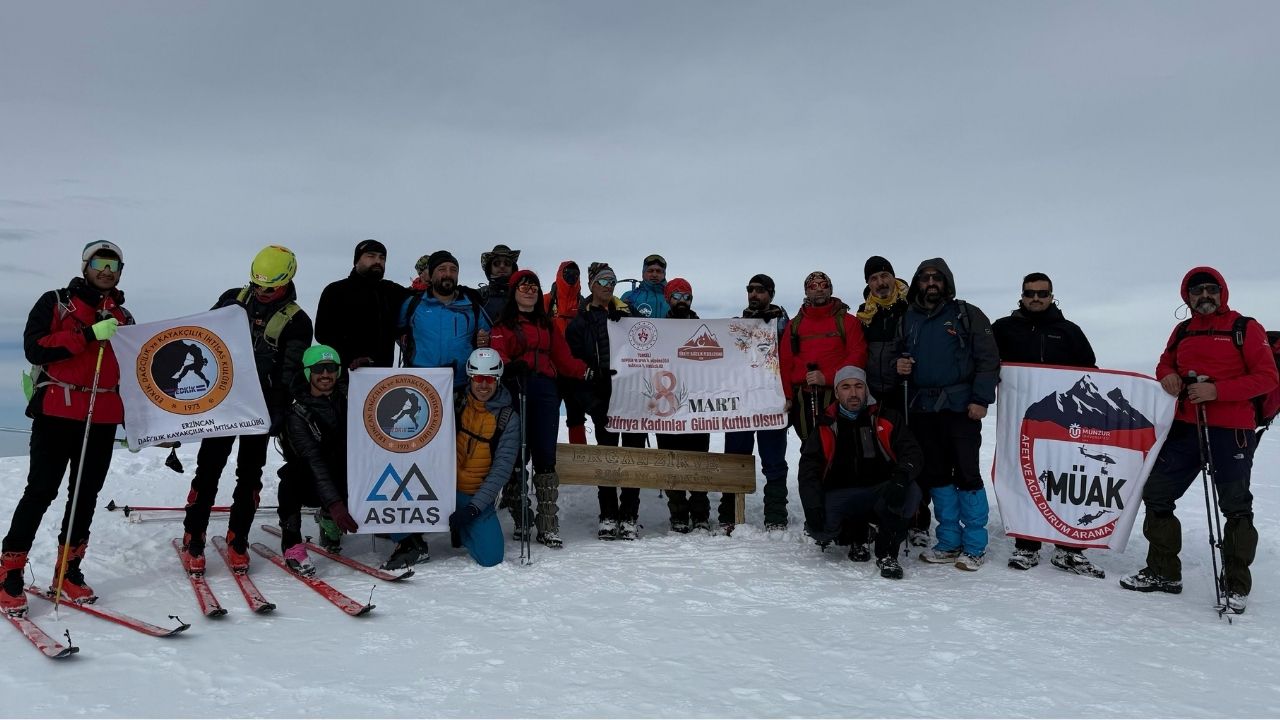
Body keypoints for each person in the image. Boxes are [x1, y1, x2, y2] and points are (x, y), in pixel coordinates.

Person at [1119, 267, 1278, 613]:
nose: (1204, 296)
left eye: (1211, 289)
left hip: (1231, 429)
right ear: (1186, 297)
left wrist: (1217, 391)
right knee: (1157, 491)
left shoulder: (1244, 328)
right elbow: (1165, 363)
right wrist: (1169, 376)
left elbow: (1267, 377)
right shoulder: (1183, 330)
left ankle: (1236, 584)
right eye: (1197, 291)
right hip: (1187, 426)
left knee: (1235, 505)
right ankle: (1164, 572)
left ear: (1222, 292)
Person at [2, 241, 133, 614]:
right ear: (86, 265)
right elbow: (35, 347)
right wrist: (89, 335)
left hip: (104, 413)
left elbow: (139, 371)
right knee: (41, 490)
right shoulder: (56, 302)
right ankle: (9, 572)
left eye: (113, 264)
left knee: (85, 495)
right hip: (58, 410)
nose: (106, 270)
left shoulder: (125, 317)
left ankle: (69, 570)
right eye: (99, 262)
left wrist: (138, 420)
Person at [179, 245, 313, 574]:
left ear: (287, 281)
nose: (262, 293)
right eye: (257, 286)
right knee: (207, 470)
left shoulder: (297, 321)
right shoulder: (231, 300)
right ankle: (193, 536)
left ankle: (238, 538)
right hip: (222, 403)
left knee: (249, 475)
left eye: (270, 288)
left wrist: (277, 413)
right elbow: (203, 339)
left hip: (260, 407)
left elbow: (289, 374)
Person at [992, 272, 1104, 578]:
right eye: (1030, 293)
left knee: (1064, 480)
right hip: (1019, 420)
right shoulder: (1003, 329)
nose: (1036, 298)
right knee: (1024, 478)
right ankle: (1026, 544)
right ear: (1022, 295)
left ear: (1052, 296)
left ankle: (1069, 549)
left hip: (1064, 424)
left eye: (1042, 293)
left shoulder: (1069, 332)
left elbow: (1090, 372)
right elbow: (986, 363)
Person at [895, 258, 999, 571]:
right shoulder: (908, 318)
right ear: (917, 283)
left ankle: (975, 545)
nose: (930, 283)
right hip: (923, 409)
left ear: (946, 282)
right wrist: (898, 366)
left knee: (967, 475)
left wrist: (981, 399)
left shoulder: (966, 314)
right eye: (925, 278)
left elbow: (988, 358)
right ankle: (950, 541)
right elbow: (900, 355)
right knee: (937, 476)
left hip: (961, 408)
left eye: (936, 278)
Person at [489, 269, 590, 548]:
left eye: (534, 285)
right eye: (523, 285)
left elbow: (564, 358)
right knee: (516, 452)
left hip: (545, 389)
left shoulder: (546, 326)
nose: (530, 290)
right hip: (515, 388)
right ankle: (522, 515)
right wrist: (509, 365)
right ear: (514, 291)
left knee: (545, 453)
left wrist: (589, 373)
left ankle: (547, 522)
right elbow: (498, 352)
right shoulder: (503, 325)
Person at [798, 367, 923, 579]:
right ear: (837, 393)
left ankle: (887, 553)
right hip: (841, 493)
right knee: (819, 529)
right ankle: (855, 536)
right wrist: (812, 505)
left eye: (858, 386)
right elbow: (808, 468)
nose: (853, 393)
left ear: (866, 389)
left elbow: (912, 452)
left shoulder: (886, 417)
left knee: (911, 492)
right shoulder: (825, 424)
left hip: (880, 491)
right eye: (846, 387)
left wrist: (902, 475)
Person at [566, 262, 647, 540]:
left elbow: (650, 348)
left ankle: (629, 516)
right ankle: (609, 514)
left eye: (612, 281)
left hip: (635, 398)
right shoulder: (580, 321)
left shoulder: (629, 314)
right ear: (591, 285)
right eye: (602, 281)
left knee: (634, 456)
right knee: (608, 456)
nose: (608, 286)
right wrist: (591, 402)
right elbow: (574, 365)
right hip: (603, 400)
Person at [856, 256, 925, 546]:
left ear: (894, 277)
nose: (880, 283)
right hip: (874, 393)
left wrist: (909, 363)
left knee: (908, 452)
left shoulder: (913, 307)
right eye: (874, 278)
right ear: (868, 284)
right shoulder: (865, 313)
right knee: (874, 455)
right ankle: (879, 513)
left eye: (885, 276)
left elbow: (925, 345)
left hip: (906, 391)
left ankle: (918, 519)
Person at [275, 345, 359, 575]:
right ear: (307, 372)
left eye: (331, 368)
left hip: (347, 474)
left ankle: (328, 518)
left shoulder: (351, 397)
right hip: (313, 480)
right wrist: (335, 503)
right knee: (291, 477)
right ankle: (292, 544)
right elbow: (313, 461)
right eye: (318, 369)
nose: (325, 374)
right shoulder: (297, 413)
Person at [723, 274, 791, 533]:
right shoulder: (735, 325)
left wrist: (789, 395)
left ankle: (775, 514)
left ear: (771, 294)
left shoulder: (784, 325)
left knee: (774, 461)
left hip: (771, 402)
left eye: (760, 290)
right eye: (750, 290)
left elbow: (791, 360)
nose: (754, 294)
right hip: (740, 403)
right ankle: (730, 513)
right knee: (735, 459)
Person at [653, 279, 719, 533]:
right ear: (669, 298)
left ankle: (700, 512)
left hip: (697, 406)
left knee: (698, 459)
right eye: (677, 295)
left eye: (687, 296)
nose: (682, 300)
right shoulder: (658, 329)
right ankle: (678, 511)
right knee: (671, 458)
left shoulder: (703, 328)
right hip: (666, 404)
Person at [780, 271, 868, 456]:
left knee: (839, 444)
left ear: (830, 289)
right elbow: (785, 362)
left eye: (823, 285)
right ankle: (811, 482)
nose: (819, 289)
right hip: (802, 398)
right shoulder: (794, 325)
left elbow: (857, 355)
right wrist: (787, 396)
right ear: (806, 291)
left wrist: (827, 377)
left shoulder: (847, 322)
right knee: (809, 445)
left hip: (838, 396)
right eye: (813, 286)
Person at [449, 348, 521, 567]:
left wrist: (473, 509)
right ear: (470, 377)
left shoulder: (508, 418)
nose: (483, 385)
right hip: (441, 493)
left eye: (490, 379)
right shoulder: (455, 403)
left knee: (491, 557)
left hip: (474, 496)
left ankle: (463, 529)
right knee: (401, 523)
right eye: (478, 378)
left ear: (498, 379)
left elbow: (501, 470)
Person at [400, 250, 491, 388]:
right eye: (442, 269)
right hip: (420, 385)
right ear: (431, 274)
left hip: (462, 386)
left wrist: (485, 340)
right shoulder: (413, 304)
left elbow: (491, 337)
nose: (448, 274)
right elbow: (394, 331)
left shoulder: (472, 305)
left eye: (453, 270)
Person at [315, 239, 411, 371]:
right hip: (345, 375)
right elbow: (322, 334)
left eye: (382, 257)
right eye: (370, 256)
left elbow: (423, 298)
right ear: (356, 261)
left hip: (382, 378)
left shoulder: (392, 291)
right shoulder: (335, 290)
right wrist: (353, 357)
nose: (378, 261)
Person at [544, 260, 590, 446]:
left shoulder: (583, 305)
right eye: (567, 272)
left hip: (575, 371)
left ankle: (579, 460)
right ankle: (546, 462)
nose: (571, 276)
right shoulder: (546, 301)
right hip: (551, 371)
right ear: (559, 274)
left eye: (574, 273)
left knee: (577, 418)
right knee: (548, 418)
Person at [478, 244, 520, 322]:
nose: (502, 266)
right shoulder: (478, 295)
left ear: (513, 268)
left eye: (507, 263)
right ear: (489, 268)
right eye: (496, 263)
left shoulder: (523, 294)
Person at [620, 253, 670, 319]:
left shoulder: (672, 298)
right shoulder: (628, 297)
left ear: (664, 275)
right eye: (650, 271)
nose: (654, 274)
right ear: (643, 273)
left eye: (658, 271)